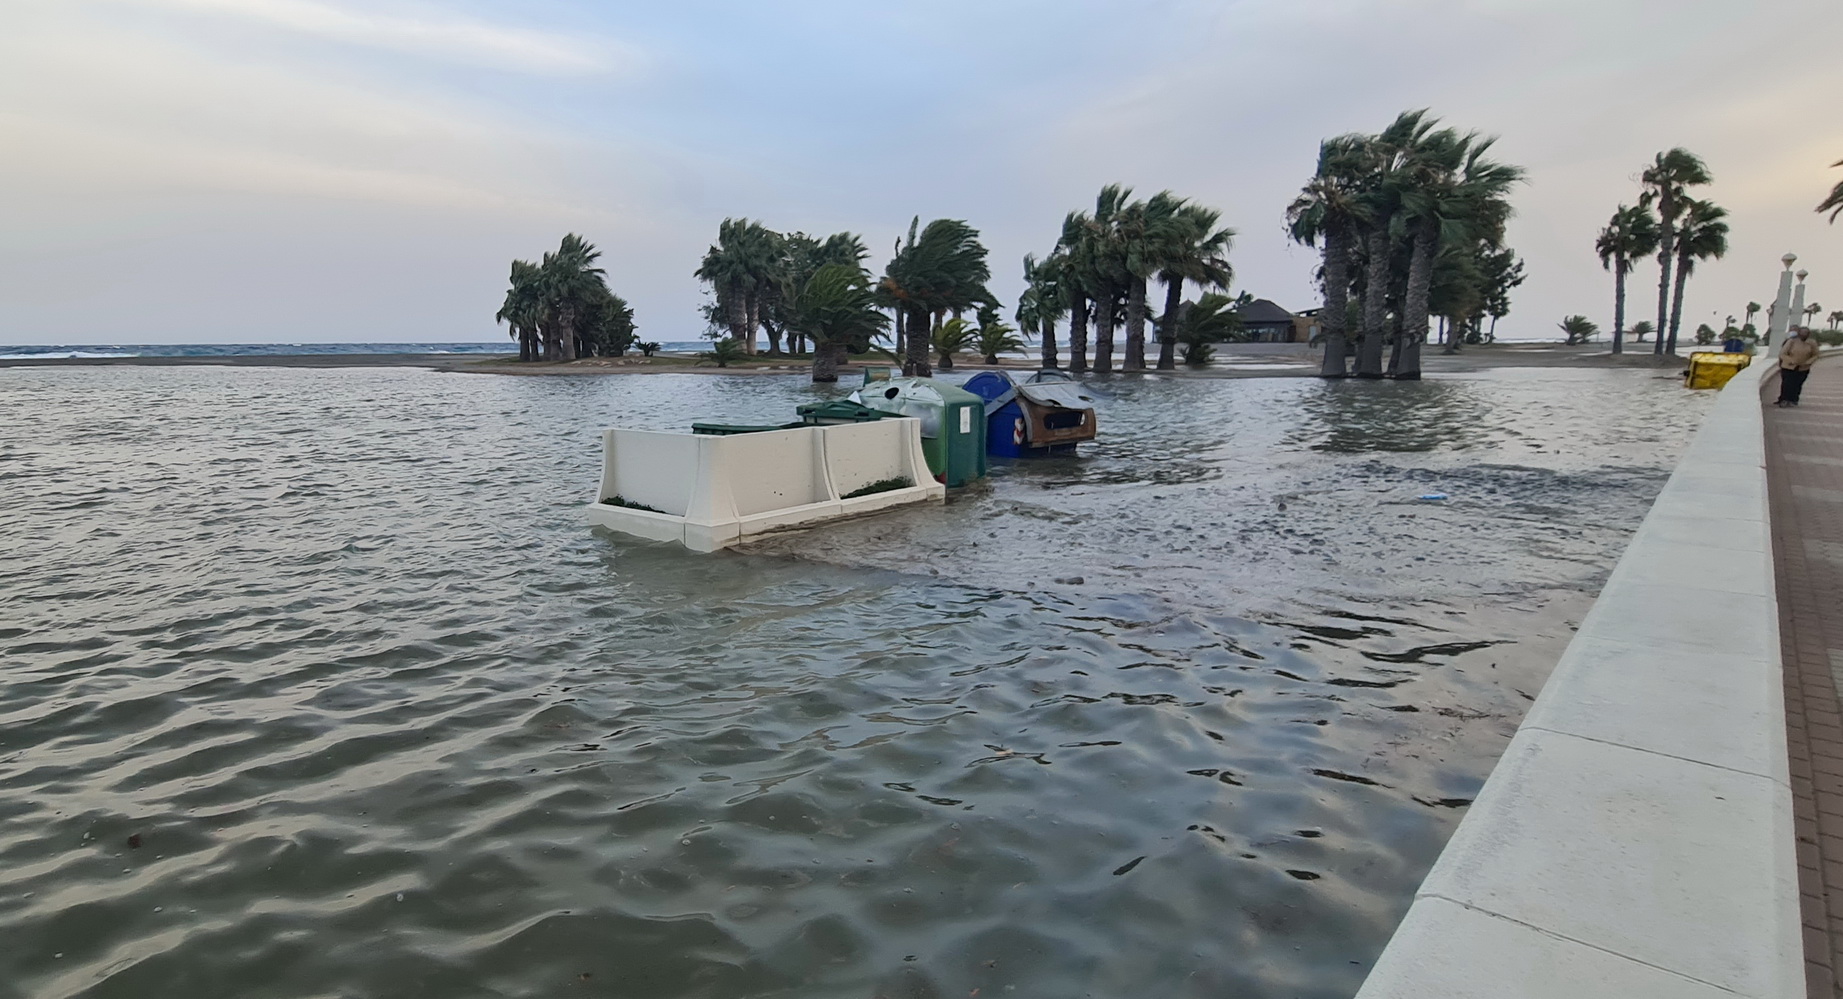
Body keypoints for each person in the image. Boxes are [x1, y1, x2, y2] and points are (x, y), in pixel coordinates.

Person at [1775, 326, 1820, 407]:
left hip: (1803, 368)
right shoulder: (1792, 341)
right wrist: (1791, 361)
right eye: (1802, 333)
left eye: (1805, 333)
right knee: (1787, 384)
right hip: (1789, 367)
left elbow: (1816, 355)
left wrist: (1808, 362)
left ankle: (1793, 399)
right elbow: (1782, 353)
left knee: (1797, 384)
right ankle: (1784, 399)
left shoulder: (1812, 343)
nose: (1803, 335)